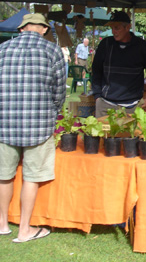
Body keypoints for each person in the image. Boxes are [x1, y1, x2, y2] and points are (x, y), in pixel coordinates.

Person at [0, 13, 67, 242]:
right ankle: (24, 229)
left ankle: (1, 224)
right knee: (32, 177)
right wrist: (54, 111)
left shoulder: (2, 50)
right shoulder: (53, 51)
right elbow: (59, 92)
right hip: (39, 124)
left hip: (3, 122)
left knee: (3, 176)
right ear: (44, 29)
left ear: (21, 29)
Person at [91, 11, 146, 117]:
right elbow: (96, 70)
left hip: (132, 106)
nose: (114, 31)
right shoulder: (105, 44)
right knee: (102, 134)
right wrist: (97, 95)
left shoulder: (143, 47)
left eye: (117, 28)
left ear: (128, 27)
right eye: (112, 28)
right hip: (105, 105)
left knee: (131, 134)